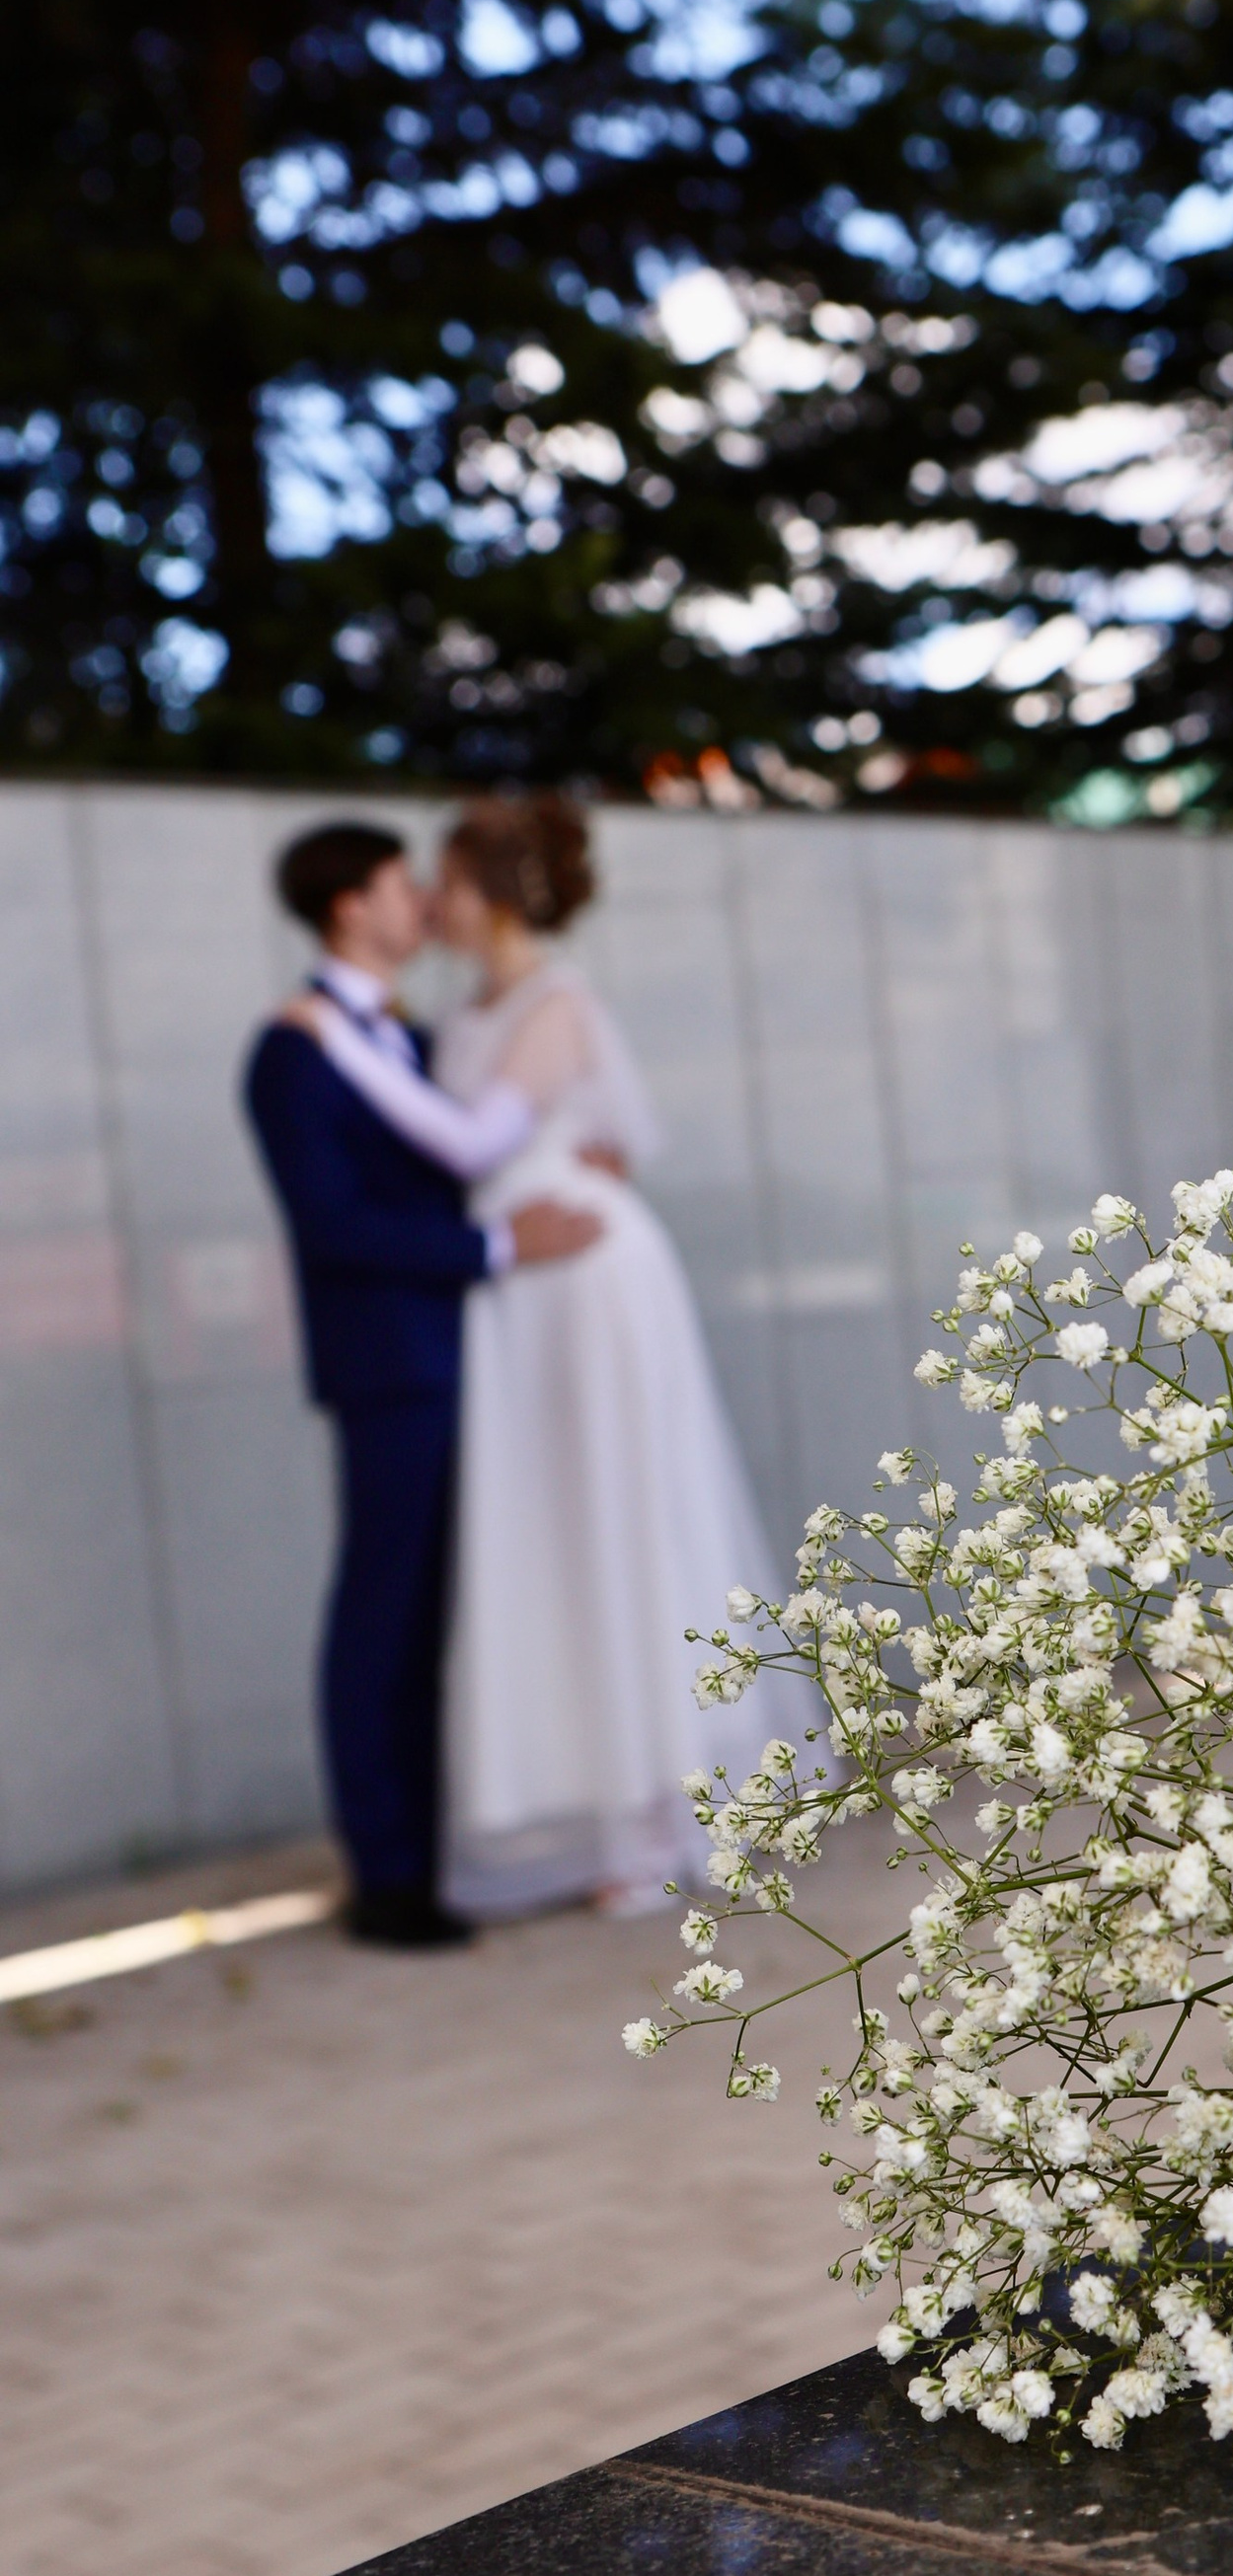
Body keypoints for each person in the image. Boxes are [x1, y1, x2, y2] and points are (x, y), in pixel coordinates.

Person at [289, 796, 773, 1918]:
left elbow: (471, 1142)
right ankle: (603, 1806)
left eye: (444, 882)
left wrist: (331, 1044)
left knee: (620, 1517)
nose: (429, 902)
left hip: (583, 1278)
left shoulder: (554, 1002)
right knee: (552, 1535)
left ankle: (659, 1808)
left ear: (490, 893)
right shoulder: (451, 1015)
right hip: (513, 1293)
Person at [245, 822, 599, 1950]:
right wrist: (499, 1253)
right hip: (392, 1367)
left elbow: (477, 1152)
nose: (422, 905)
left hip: (471, 1356)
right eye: (404, 886)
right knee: (385, 1613)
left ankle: (443, 1848)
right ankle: (385, 1873)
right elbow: (335, 1226)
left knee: (451, 1610)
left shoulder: (420, 1034)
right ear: (350, 905)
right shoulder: (291, 1050)